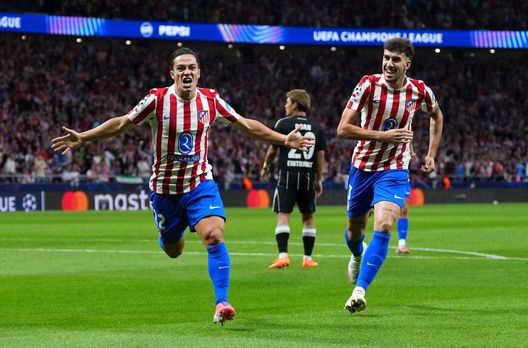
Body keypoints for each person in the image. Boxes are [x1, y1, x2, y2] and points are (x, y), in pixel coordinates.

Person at [51, 47, 314, 325]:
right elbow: (122, 123)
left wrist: (284, 140)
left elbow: (246, 125)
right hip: (165, 191)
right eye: (181, 68)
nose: (187, 72)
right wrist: (84, 137)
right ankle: (167, 235)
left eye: (191, 67)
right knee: (173, 250)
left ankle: (221, 303)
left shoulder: (211, 101)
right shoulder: (157, 100)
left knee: (213, 235)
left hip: (199, 183)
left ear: (199, 73)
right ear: (172, 73)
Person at [336, 37, 443, 313]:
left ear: (408, 63)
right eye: (386, 57)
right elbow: (343, 129)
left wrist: (431, 153)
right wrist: (384, 135)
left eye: (395, 59)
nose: (389, 64)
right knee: (354, 231)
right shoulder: (368, 85)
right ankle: (358, 254)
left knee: (383, 225)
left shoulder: (420, 91)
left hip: (394, 169)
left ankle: (359, 291)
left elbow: (437, 116)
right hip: (362, 168)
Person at [260, 89, 326, 269]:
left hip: (288, 175)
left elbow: (273, 149)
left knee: (283, 215)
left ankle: (283, 256)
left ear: (295, 104)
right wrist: (318, 179)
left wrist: (266, 166)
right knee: (308, 217)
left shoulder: (283, 123)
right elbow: (320, 157)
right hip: (307, 177)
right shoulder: (317, 127)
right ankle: (308, 259)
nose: (285, 105)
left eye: (287, 102)